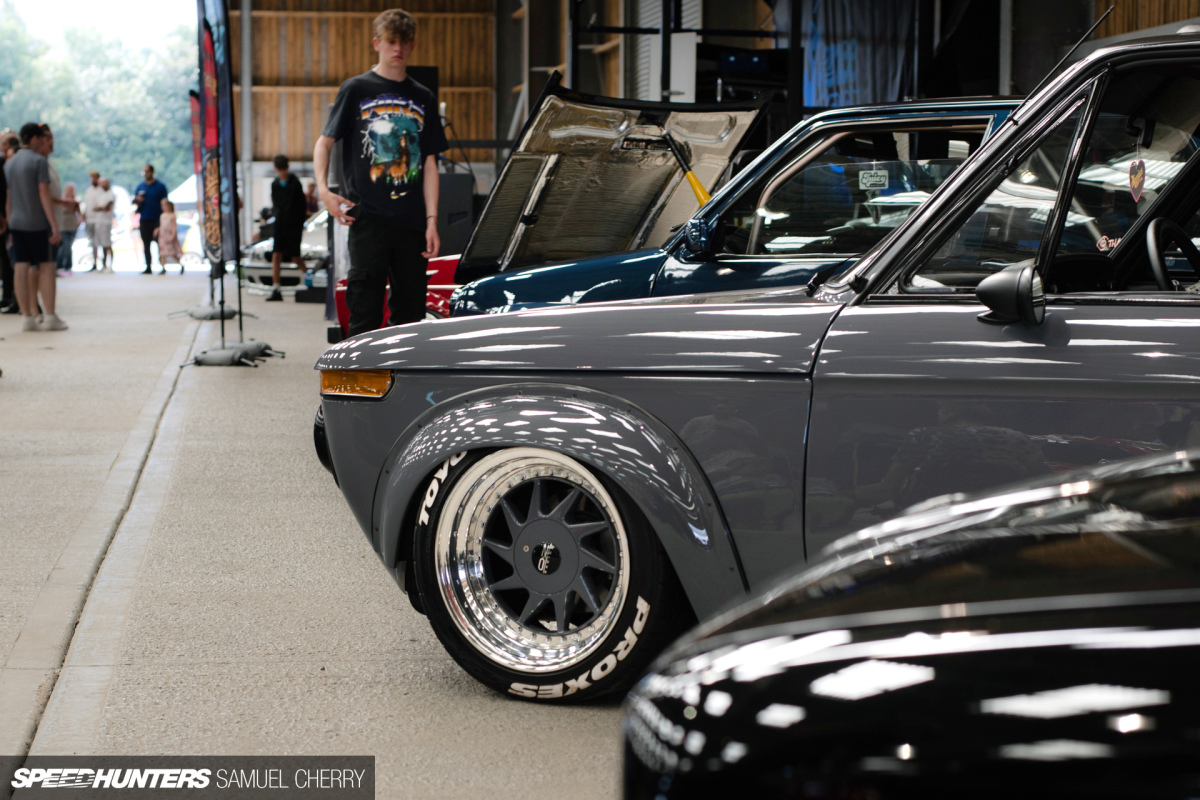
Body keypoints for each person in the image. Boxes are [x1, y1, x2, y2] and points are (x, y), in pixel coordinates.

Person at [312, 7, 446, 336]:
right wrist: (324, 191)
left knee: (411, 315)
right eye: (391, 41)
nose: (398, 48)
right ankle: (362, 370)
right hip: (368, 220)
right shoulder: (356, 89)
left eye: (404, 41)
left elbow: (430, 163)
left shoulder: (424, 97)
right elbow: (324, 143)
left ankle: (403, 370)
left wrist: (432, 220)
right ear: (377, 43)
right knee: (364, 312)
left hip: (412, 222)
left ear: (413, 45)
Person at [3, 122, 65, 331]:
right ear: (35, 138)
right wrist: (54, 225)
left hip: (17, 222)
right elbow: (43, 193)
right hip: (37, 222)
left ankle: (27, 317)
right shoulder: (39, 161)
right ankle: (50, 316)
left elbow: (8, 198)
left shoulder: (9, 163)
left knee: (21, 267)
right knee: (47, 267)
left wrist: (10, 223)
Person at [267, 154, 307, 301]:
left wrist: (299, 224)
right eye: (280, 169)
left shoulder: (295, 183)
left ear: (287, 167)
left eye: (284, 169)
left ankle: (311, 279)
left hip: (293, 225)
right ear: (276, 169)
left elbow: (301, 206)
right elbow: (275, 204)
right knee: (276, 255)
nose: (282, 172)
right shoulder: (275, 184)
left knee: (295, 257)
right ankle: (276, 288)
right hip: (280, 224)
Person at [132, 164, 168, 274]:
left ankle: (162, 266)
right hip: (144, 219)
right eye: (144, 172)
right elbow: (134, 201)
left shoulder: (160, 186)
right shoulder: (140, 186)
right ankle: (148, 267)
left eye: (147, 171)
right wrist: (137, 200)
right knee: (146, 244)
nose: (145, 174)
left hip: (157, 219)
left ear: (152, 172)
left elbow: (165, 202)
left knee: (160, 243)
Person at [0, 130, 18, 313]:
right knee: (7, 259)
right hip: (6, 217)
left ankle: (14, 297)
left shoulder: (12, 166)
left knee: (13, 259)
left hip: (13, 217)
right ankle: (8, 295)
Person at [55, 182, 82, 275]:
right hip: (63, 226)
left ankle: (68, 266)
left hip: (73, 226)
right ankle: (60, 266)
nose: (70, 192)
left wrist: (79, 222)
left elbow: (79, 213)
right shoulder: (61, 200)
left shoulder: (75, 202)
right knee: (64, 246)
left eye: (72, 190)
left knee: (69, 247)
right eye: (69, 190)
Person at [82, 171, 104, 270]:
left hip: (99, 220)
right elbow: (86, 204)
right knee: (92, 243)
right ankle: (94, 263)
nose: (93, 180)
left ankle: (104, 264)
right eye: (92, 178)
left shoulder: (101, 191)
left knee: (102, 241)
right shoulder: (88, 190)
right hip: (89, 220)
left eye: (95, 178)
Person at [93, 177, 115, 271]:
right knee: (102, 244)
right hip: (99, 221)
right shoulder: (100, 195)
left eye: (104, 183)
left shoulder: (111, 194)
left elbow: (106, 206)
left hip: (106, 222)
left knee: (107, 244)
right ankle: (104, 265)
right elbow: (95, 207)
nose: (102, 185)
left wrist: (100, 207)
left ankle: (110, 266)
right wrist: (101, 207)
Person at [154, 198, 182, 272]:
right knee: (162, 253)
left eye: (164, 205)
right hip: (162, 237)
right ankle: (163, 268)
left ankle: (180, 264)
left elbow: (174, 226)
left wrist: (173, 236)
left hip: (169, 236)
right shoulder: (162, 215)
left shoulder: (172, 215)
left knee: (172, 253)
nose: (162, 207)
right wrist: (157, 229)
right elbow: (163, 226)